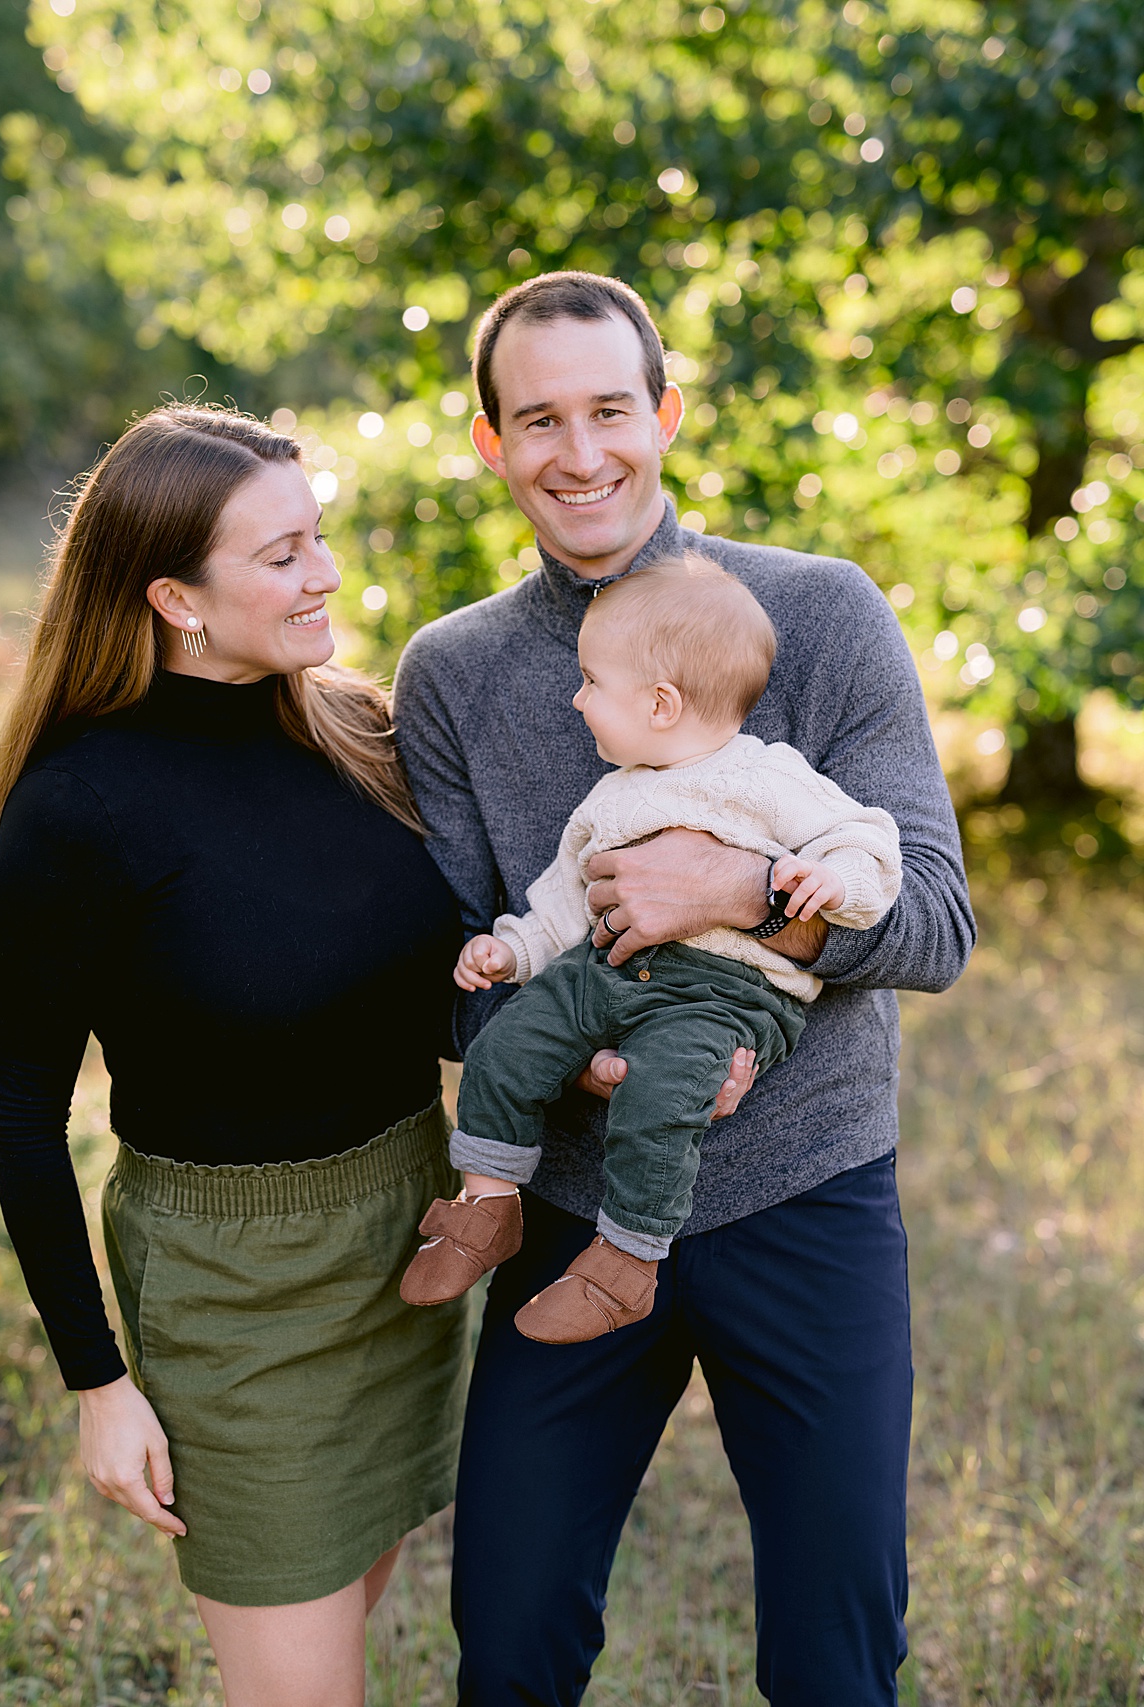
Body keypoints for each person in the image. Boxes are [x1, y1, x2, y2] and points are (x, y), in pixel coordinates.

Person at [392, 272, 976, 1704]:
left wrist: (734, 896)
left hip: (810, 1195)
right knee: (512, 1632)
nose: (579, 453)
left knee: (837, 1656)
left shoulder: (820, 615)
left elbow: (942, 922)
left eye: (608, 410)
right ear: (490, 443)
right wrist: (588, 1063)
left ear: (664, 414)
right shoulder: (453, 672)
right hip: (574, 1206)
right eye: (539, 419)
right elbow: (457, 965)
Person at [0, 405, 469, 1707]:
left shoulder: (358, 730)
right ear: (176, 596)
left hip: (407, 1247)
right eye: (283, 553)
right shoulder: (80, 806)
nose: (328, 572)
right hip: (232, 1292)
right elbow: (18, 1111)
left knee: (341, 1629)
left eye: (321, 536)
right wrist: (97, 1379)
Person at [400, 552, 901, 1345]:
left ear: (662, 702)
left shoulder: (766, 778)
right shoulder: (614, 793)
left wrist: (825, 878)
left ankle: (625, 1262)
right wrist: (513, 951)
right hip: (601, 966)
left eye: (593, 682)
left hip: (726, 989)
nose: (577, 698)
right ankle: (487, 1204)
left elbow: (870, 840)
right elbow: (566, 899)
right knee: (507, 1045)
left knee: (660, 1098)